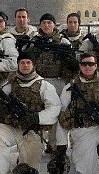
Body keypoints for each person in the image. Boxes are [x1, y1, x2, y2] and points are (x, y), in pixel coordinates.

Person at [0, 52, 60, 174]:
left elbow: (54, 109)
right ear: (18, 65)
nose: (25, 65)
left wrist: (35, 117)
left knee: (28, 172)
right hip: (13, 128)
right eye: (22, 62)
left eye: (28, 62)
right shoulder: (10, 84)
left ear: (33, 65)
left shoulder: (44, 85)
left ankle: (22, 159)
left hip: (33, 131)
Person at [25, 13, 74, 155]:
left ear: (54, 25)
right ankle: (36, 146)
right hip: (38, 81)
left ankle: (54, 145)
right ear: (40, 25)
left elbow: (72, 62)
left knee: (56, 113)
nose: (46, 25)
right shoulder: (34, 41)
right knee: (37, 111)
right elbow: (26, 58)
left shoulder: (63, 41)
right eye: (44, 23)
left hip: (58, 81)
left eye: (49, 22)